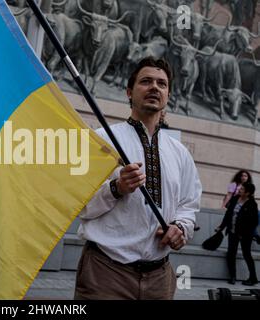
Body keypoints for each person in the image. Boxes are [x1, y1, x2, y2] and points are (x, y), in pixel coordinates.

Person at [74, 57, 202, 300]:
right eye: (146, 81)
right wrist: (116, 188)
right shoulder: (102, 140)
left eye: (162, 84)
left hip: (160, 277)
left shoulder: (180, 153)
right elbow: (80, 205)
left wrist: (181, 228)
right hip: (106, 273)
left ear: (168, 96)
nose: (154, 87)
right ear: (129, 92)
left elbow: (188, 205)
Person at [215, 182, 258, 286]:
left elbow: (254, 222)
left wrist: (244, 233)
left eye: (242, 189)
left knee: (247, 255)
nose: (239, 190)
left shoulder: (252, 204)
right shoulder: (235, 199)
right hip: (232, 232)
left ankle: (253, 278)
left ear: (248, 193)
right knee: (231, 254)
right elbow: (228, 214)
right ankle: (233, 277)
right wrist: (221, 227)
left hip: (245, 235)